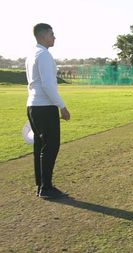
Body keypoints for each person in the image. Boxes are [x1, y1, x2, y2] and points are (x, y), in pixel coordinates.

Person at [26, 23, 70, 199]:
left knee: (40, 146)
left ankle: (41, 185)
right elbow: (48, 85)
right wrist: (62, 106)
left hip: (33, 106)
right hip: (44, 107)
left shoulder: (31, 55)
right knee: (51, 146)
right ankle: (46, 187)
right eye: (52, 34)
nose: (54, 37)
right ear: (43, 36)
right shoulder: (44, 55)